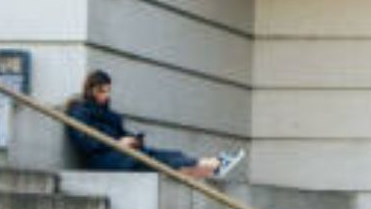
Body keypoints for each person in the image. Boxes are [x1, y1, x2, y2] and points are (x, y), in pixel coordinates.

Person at [64, 70, 243, 180]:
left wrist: (133, 140)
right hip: (103, 160)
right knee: (153, 159)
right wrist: (118, 143)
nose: (107, 96)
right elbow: (85, 141)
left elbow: (121, 133)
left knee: (165, 155)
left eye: (109, 91)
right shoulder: (80, 110)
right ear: (92, 90)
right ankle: (214, 164)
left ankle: (209, 167)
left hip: (120, 154)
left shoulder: (110, 115)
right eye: (103, 91)